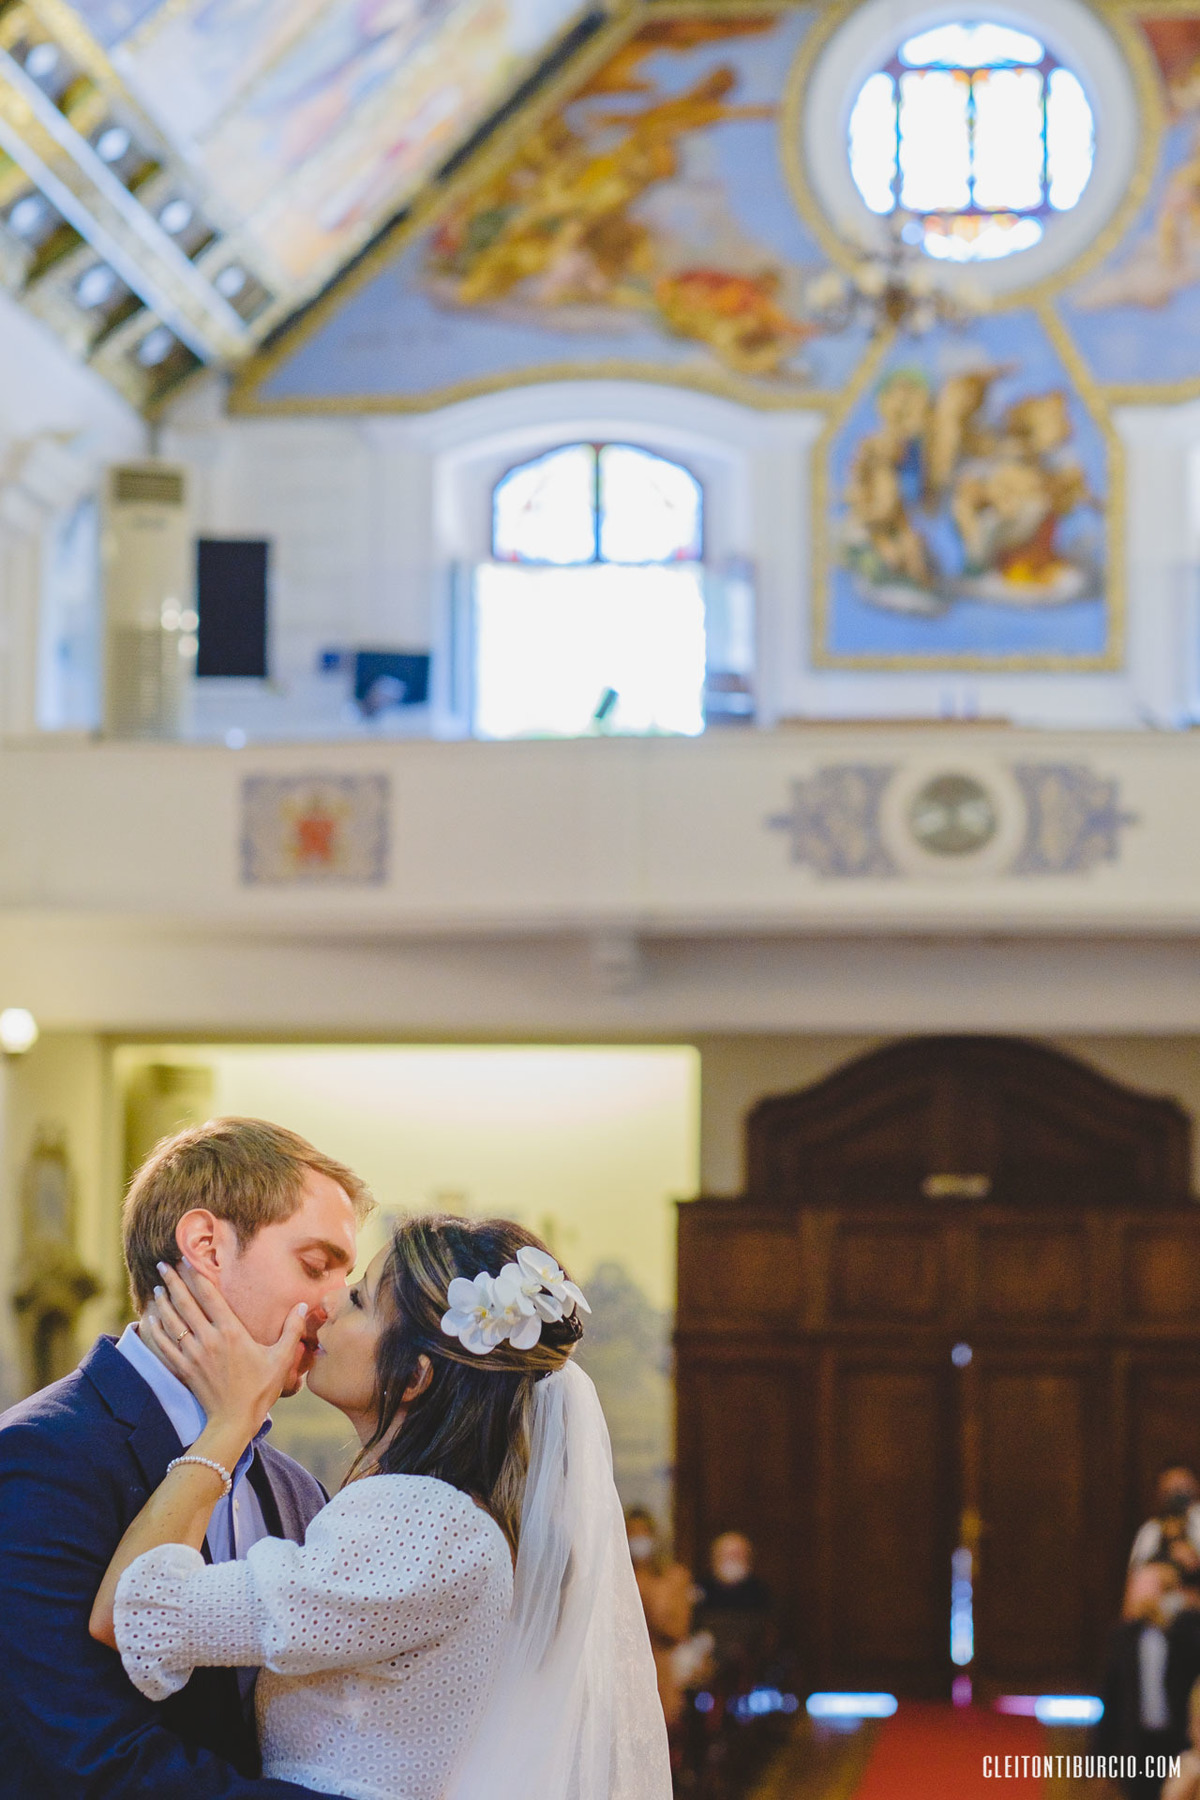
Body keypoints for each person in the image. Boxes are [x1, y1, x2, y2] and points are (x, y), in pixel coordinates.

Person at [92, 1214, 671, 1800]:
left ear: (414, 1376)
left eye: (359, 1300)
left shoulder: (424, 1522)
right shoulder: (450, 1517)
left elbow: (134, 1612)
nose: (327, 1304)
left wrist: (229, 1422)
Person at [0, 1115, 372, 1800]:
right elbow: (97, 1762)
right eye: (316, 1265)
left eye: (346, 1278)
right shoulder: (36, 1457)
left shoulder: (296, 1491)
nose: (332, 1304)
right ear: (206, 1245)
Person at [1095, 1561, 1200, 1799]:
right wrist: (1102, 1761)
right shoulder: (1123, 1637)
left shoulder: (1185, 1631)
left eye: (1144, 1585)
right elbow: (1112, 1701)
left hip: (1178, 1742)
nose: (1135, 1592)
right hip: (1136, 1744)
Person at [1132, 1467, 1200, 1568]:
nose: (1178, 1492)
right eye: (1171, 1488)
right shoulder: (1152, 1529)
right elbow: (1138, 1568)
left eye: (1182, 1485)